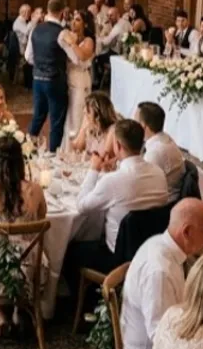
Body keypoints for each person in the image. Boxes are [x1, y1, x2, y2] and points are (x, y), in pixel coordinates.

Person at [63, 120, 169, 308]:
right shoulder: (159, 174)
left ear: (118, 146)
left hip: (118, 258)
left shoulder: (114, 181)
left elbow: (81, 205)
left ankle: (89, 306)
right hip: (152, 251)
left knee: (71, 250)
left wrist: (94, 170)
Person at [121, 198, 203, 349]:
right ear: (187, 232)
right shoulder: (160, 272)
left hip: (167, 337)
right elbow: (160, 336)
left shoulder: (164, 245)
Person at [0, 135, 48, 337]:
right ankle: (20, 308)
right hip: (27, 273)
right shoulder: (35, 190)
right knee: (30, 251)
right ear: (20, 161)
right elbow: (41, 219)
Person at [26, 0, 81, 152]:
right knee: (56, 121)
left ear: (47, 10)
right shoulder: (62, 33)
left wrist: (41, 64)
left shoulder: (35, 29)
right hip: (55, 80)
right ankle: (52, 154)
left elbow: (28, 56)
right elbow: (75, 58)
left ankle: (26, 149)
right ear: (62, 12)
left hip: (37, 79)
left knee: (38, 116)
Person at [60, 10, 97, 152]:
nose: (73, 22)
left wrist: (72, 43)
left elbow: (82, 56)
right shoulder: (69, 35)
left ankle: (76, 151)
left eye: (78, 20)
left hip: (80, 80)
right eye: (73, 19)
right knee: (68, 117)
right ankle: (66, 150)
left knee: (77, 116)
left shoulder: (88, 40)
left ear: (85, 24)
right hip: (68, 78)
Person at [138, 101, 186, 203]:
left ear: (143, 126)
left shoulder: (155, 152)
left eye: (135, 122)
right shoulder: (165, 138)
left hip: (162, 205)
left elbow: (141, 185)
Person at [70, 91, 118, 157]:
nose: (85, 116)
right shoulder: (92, 129)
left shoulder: (112, 130)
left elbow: (104, 158)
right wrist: (83, 129)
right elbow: (76, 149)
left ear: (98, 115)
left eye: (88, 112)